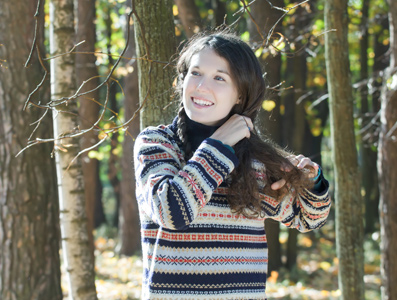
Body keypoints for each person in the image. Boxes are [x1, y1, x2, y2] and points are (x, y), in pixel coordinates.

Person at [134, 32, 331, 300]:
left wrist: (313, 181)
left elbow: (309, 217)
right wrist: (219, 144)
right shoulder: (158, 143)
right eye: (196, 73)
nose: (202, 86)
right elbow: (171, 211)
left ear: (241, 94)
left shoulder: (254, 161)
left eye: (219, 78)